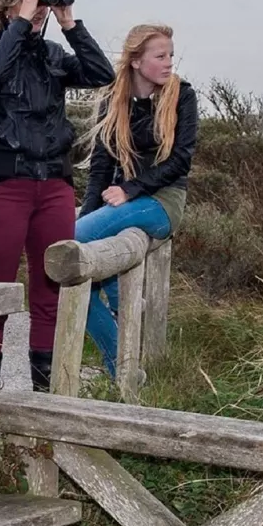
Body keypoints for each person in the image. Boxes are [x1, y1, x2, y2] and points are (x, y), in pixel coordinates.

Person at [0, 0, 113, 401]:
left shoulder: (50, 54)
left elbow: (100, 73)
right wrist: (19, 22)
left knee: (52, 295)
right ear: (10, 0)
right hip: (1, 185)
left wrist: (70, 24)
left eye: (44, 0)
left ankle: (47, 407)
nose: (40, 10)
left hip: (53, 184)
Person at [79, 24, 198, 380]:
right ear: (135, 61)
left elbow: (181, 160)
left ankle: (122, 311)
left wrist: (131, 189)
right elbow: (100, 168)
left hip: (163, 202)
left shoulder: (182, 96)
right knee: (76, 276)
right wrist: (90, 216)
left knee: (72, 244)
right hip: (122, 203)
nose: (169, 64)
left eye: (171, 56)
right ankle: (125, 368)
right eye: (160, 56)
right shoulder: (112, 100)